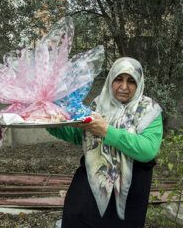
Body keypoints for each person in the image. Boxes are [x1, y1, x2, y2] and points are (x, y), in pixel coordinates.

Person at [47, 57, 163, 227]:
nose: (124, 86)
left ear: (139, 83)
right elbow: (78, 135)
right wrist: (50, 121)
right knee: (77, 218)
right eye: (118, 79)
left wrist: (106, 131)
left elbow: (148, 150)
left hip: (128, 192)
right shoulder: (99, 105)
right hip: (92, 185)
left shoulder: (149, 110)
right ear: (111, 80)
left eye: (131, 81)